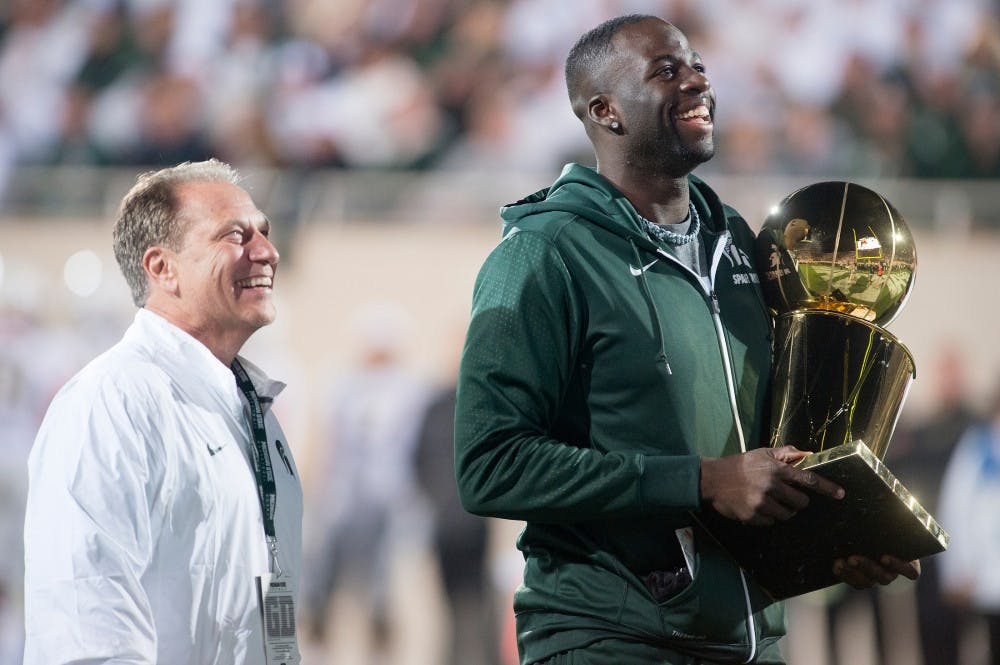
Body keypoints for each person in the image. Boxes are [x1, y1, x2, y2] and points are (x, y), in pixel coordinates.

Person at [453, 14, 919, 665]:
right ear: (606, 110)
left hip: (752, 643)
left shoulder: (736, 240)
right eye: (667, 70)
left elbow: (759, 459)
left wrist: (831, 530)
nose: (698, 79)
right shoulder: (543, 252)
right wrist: (701, 480)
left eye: (697, 63)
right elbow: (488, 464)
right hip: (610, 640)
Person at [22, 159, 303, 664]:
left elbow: (264, 592)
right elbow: (89, 627)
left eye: (264, 231)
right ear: (162, 268)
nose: (267, 251)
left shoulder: (250, 409)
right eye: (235, 235)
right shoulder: (111, 402)